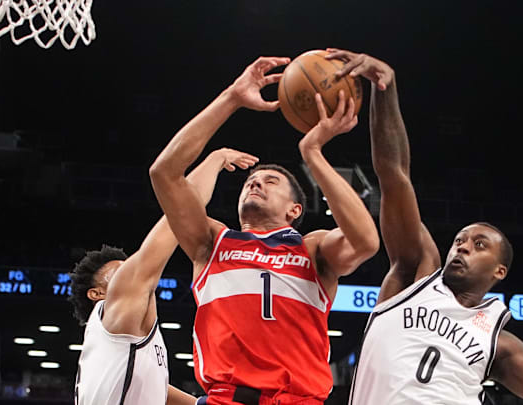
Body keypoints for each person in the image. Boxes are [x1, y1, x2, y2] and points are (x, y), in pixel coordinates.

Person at [325, 48, 523, 405]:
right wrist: (384, 88)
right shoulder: (413, 274)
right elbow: (394, 175)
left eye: (479, 244)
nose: (463, 246)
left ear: (500, 270)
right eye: (460, 240)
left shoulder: (499, 340)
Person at [148, 56, 380, 405]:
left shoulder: (312, 248)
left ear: (295, 209)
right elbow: (164, 173)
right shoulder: (212, 242)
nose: (255, 184)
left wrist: (313, 153)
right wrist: (232, 98)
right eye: (250, 181)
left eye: (270, 181)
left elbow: (366, 241)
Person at [70, 148, 258, 405]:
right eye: (120, 271)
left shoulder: (114, 345)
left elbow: (153, 386)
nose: (130, 271)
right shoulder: (116, 311)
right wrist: (216, 159)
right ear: (97, 293)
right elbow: (178, 214)